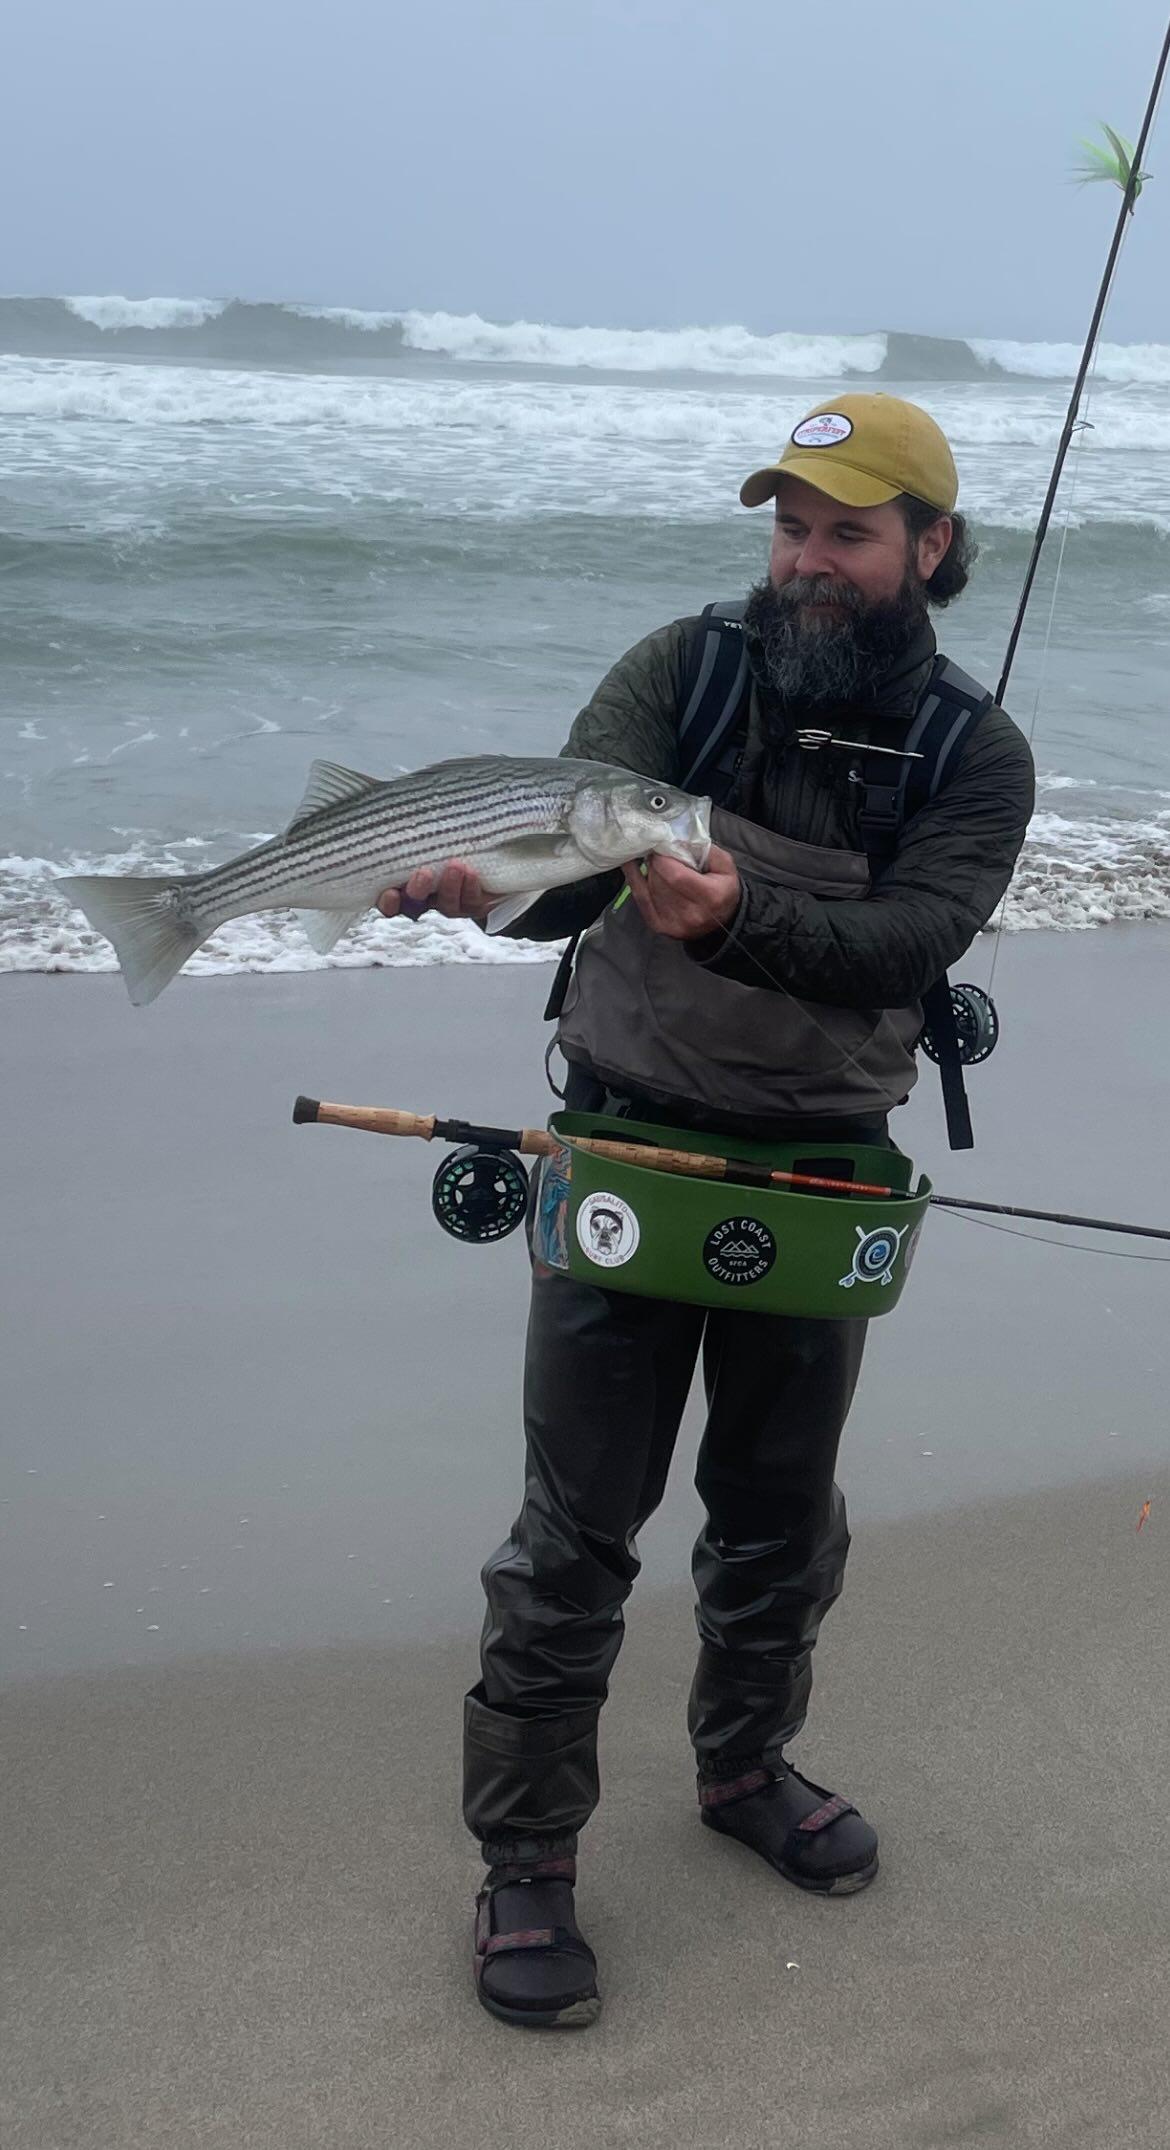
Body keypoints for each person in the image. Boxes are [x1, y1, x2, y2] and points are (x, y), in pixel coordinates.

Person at [377, 393, 1035, 2030]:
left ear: (929, 550)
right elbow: (567, 882)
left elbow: (906, 947)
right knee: (572, 1535)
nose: (805, 564)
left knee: (777, 1520)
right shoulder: (685, 668)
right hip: (626, 1141)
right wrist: (484, 887)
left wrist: (739, 917)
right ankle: (526, 1855)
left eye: (847, 533)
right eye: (788, 527)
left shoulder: (976, 753)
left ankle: (742, 1766)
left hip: (820, 1168)